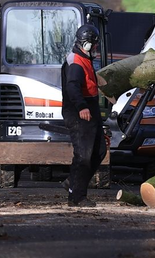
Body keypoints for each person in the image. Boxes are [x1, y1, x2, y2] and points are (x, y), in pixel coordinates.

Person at [61, 23, 105, 207]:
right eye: (94, 45)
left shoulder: (83, 58)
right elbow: (72, 86)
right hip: (79, 111)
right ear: (86, 44)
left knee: (99, 151)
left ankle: (73, 181)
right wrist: (81, 107)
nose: (95, 48)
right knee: (83, 155)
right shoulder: (76, 63)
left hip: (90, 109)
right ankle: (76, 197)